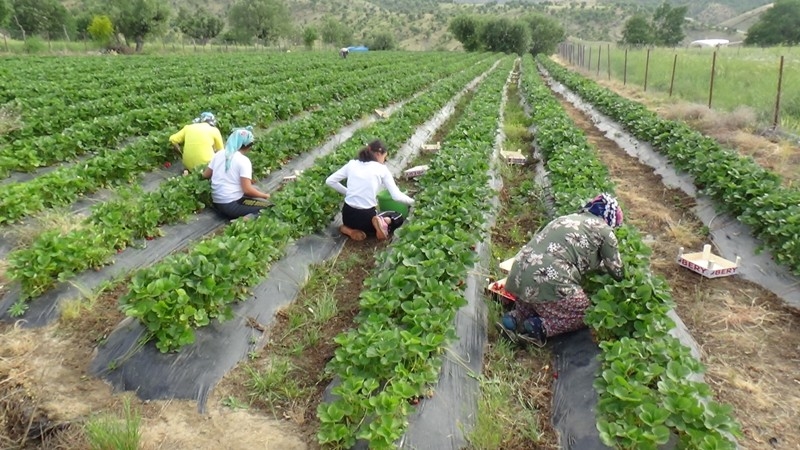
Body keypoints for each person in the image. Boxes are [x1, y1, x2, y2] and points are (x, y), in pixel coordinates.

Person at [496, 193, 625, 347]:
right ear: (610, 220)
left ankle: (513, 320)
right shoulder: (605, 231)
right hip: (547, 278)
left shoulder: (568, 218)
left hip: (519, 272)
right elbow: (617, 272)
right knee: (585, 313)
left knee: (533, 302)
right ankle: (537, 328)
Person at [326, 140, 414, 241]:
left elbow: (330, 181)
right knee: (397, 216)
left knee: (350, 223)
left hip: (348, 215)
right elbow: (396, 196)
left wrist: (349, 192)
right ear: (377, 154)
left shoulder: (352, 164)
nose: (384, 161)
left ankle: (348, 230)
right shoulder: (382, 169)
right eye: (384, 157)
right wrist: (414, 202)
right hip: (367, 218)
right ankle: (381, 223)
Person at [202, 127, 271, 220]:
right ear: (248, 147)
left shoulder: (219, 154)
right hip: (231, 205)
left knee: (255, 190)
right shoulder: (243, 161)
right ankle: (243, 221)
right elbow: (247, 190)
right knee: (269, 207)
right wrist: (264, 196)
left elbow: (205, 175)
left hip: (217, 202)